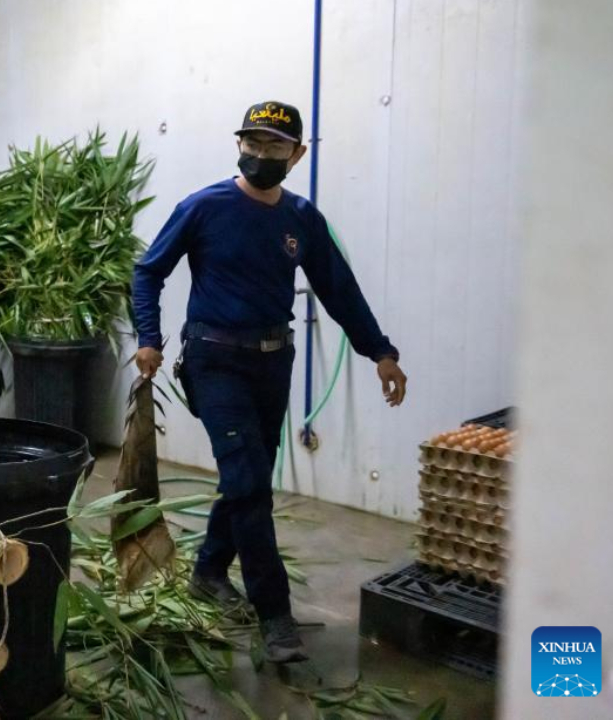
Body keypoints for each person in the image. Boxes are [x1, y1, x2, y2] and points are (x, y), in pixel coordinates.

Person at [131, 100, 407, 663]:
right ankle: (274, 615)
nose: (260, 155)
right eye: (251, 144)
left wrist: (379, 351)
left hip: (273, 362)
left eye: (274, 147)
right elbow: (148, 270)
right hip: (214, 360)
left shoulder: (301, 218)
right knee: (252, 482)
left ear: (297, 154)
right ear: (239, 145)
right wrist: (149, 338)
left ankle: (208, 571)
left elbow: (339, 290)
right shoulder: (204, 207)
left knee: (247, 476)